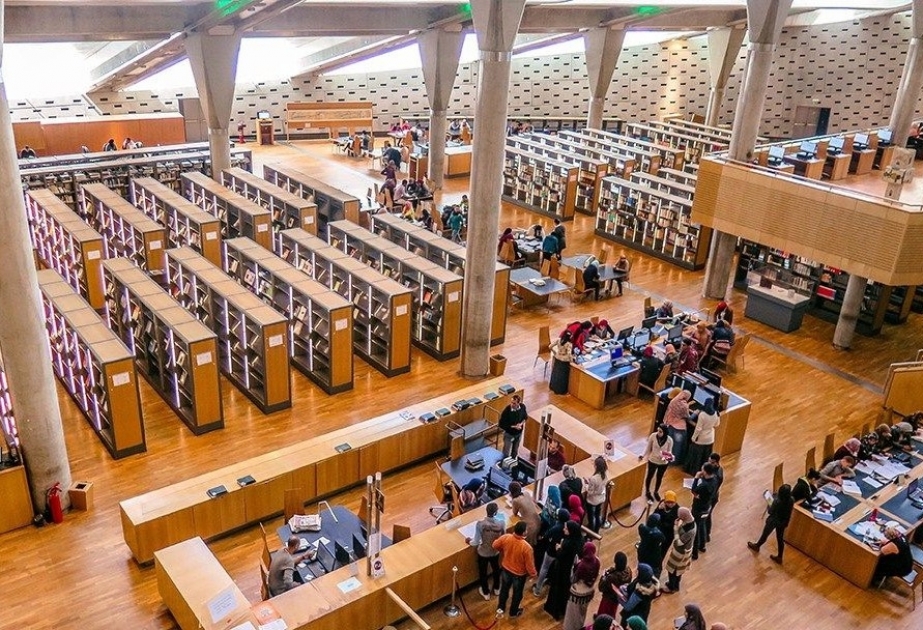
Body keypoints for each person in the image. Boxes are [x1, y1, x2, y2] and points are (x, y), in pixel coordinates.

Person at [493, 521, 537, 618]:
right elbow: (529, 565)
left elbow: (495, 545)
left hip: (505, 569)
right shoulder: (527, 547)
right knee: (517, 594)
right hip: (519, 575)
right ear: (524, 532)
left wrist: (503, 551)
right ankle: (513, 612)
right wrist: (533, 575)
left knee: (504, 590)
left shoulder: (506, 537)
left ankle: (500, 608)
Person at [544, 520, 583, 620]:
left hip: (562, 570)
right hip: (569, 571)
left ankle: (554, 609)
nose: (563, 529)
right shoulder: (579, 540)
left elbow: (561, 555)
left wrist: (559, 548)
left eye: (566, 528)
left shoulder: (568, 543)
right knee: (565, 591)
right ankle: (562, 609)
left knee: (558, 590)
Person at [748, 483, 795, 564]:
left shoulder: (777, 501)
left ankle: (757, 546)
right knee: (780, 539)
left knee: (765, 534)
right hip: (783, 521)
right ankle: (780, 557)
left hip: (774, 520)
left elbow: (770, 511)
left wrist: (770, 503)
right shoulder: (791, 500)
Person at [467, 502, 506, 599]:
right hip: (495, 551)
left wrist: (469, 541)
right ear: (496, 512)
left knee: (483, 572)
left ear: (486, 511)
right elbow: (503, 537)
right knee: (496, 570)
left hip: (483, 552)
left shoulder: (480, 524)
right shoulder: (501, 523)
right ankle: (497, 588)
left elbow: (475, 541)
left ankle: (486, 592)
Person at [563, 542, 600, 630]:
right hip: (589, 591)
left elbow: (573, 579)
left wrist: (574, 566)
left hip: (577, 593)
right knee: (582, 612)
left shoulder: (582, 565)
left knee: (573, 614)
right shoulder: (597, 561)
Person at [534, 507, 570, 596]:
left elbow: (546, 535)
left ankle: (538, 589)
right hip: (561, 553)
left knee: (544, 568)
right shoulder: (568, 527)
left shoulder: (556, 527)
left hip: (551, 551)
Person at [662, 507, 696, 594]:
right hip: (686, 551)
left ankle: (671, 587)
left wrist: (676, 528)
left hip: (680, 552)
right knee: (678, 571)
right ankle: (675, 585)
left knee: (673, 570)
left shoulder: (689, 531)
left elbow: (679, 542)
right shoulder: (692, 522)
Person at [690, 463, 718, 559]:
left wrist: (696, 478)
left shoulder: (704, 485)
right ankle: (702, 545)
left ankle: (694, 553)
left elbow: (694, 490)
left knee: (695, 529)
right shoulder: (714, 480)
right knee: (702, 526)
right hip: (707, 507)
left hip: (698, 509)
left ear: (705, 471)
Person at [685, 398, 720, 474]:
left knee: (696, 456)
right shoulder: (716, 413)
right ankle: (704, 471)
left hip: (701, 438)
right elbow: (717, 424)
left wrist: (693, 438)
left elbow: (698, 428)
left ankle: (693, 471)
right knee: (705, 456)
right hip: (710, 438)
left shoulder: (702, 414)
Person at [618, 563, 659, 627]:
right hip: (643, 612)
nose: (635, 570)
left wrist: (619, 596)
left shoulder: (640, 592)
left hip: (634, 615)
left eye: (637, 570)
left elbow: (628, 607)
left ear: (641, 574)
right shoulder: (649, 582)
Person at [642, 424, 674, 501]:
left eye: (660, 431)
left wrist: (665, 456)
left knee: (659, 477)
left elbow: (670, 452)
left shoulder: (669, 440)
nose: (658, 433)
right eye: (658, 430)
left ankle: (656, 491)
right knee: (650, 476)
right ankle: (648, 491)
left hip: (663, 462)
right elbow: (648, 448)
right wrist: (642, 455)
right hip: (653, 460)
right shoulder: (653, 436)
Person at [596, 551, 632, 618]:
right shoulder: (628, 571)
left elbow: (601, 587)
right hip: (616, 598)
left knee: (604, 612)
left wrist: (603, 576)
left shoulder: (612, 577)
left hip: (608, 598)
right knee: (612, 611)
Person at [508, 482, 542, 547]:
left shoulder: (515, 500)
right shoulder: (526, 493)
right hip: (538, 521)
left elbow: (514, 513)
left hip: (530, 528)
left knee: (527, 547)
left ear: (511, 492)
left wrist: (512, 499)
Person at [664, 389, 692, 463]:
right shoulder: (684, 406)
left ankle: (665, 458)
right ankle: (673, 462)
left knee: (669, 443)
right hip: (679, 428)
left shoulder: (673, 400)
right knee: (676, 446)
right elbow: (688, 417)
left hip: (670, 424)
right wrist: (695, 413)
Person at [584, 456, 608, 532]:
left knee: (591, 517)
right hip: (601, 499)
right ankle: (596, 530)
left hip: (592, 500)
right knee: (598, 515)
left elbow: (590, 492)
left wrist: (586, 485)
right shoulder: (605, 476)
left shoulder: (594, 478)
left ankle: (591, 531)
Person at [498, 395, 527, 459]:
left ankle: (512, 463)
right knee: (506, 452)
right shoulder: (507, 410)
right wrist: (514, 427)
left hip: (518, 433)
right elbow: (501, 424)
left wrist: (521, 424)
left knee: (515, 451)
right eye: (511, 402)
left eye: (514, 403)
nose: (512, 404)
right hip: (509, 434)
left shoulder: (522, 407)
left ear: (519, 403)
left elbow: (525, 417)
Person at [637, 513, 665, 578]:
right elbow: (663, 539)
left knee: (642, 566)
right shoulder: (657, 535)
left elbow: (642, 525)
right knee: (655, 570)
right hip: (653, 555)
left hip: (642, 550)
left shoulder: (641, 528)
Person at [705, 453, 724, 544]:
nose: (709, 464)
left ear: (716, 463)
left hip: (711, 499)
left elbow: (711, 488)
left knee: (707, 515)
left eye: (711, 462)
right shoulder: (717, 469)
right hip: (712, 497)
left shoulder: (717, 475)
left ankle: (707, 534)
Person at [654, 491, 680, 559]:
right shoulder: (662, 503)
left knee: (663, 551)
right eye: (668, 502)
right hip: (658, 531)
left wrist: (661, 520)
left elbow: (671, 525)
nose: (670, 504)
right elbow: (654, 516)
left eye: (672, 502)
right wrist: (658, 509)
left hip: (668, 535)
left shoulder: (677, 510)